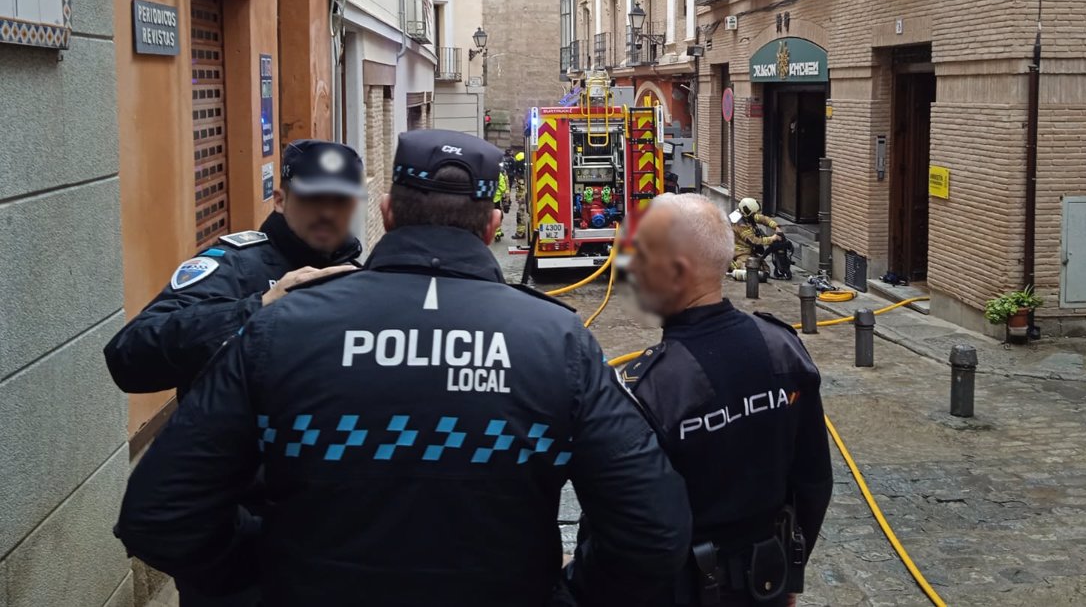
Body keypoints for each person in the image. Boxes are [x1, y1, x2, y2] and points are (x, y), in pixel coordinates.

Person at [116, 129, 692, 607]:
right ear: (494, 227)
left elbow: (159, 514)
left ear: (386, 213)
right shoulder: (558, 340)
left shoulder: (280, 330)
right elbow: (653, 529)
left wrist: (263, 573)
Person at [104, 138, 364, 607]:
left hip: (328, 535)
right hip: (239, 539)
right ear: (282, 199)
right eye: (312, 198)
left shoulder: (363, 280)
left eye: (340, 200)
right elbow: (129, 356)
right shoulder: (232, 267)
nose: (327, 212)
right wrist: (257, 309)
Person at [622, 193, 833, 606]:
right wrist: (790, 574)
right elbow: (813, 482)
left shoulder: (652, 388)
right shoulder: (783, 348)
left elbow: (634, 527)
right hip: (765, 582)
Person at [730, 197, 783, 277]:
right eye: (754, 214)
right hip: (740, 252)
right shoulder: (740, 224)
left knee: (765, 270)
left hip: (750, 251)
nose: (755, 215)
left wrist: (775, 226)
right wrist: (772, 239)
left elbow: (762, 218)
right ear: (747, 212)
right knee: (749, 271)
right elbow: (753, 241)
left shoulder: (747, 215)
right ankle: (733, 264)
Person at [512, 150, 528, 239]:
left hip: (523, 200)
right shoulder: (526, 176)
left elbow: (521, 191)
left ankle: (520, 233)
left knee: (520, 214)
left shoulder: (522, 179)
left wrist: (520, 199)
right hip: (524, 198)